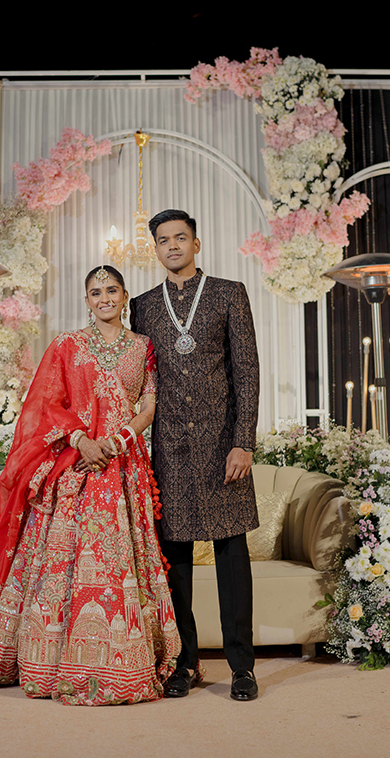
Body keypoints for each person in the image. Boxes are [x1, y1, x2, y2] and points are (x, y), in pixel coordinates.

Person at [0, 264, 180, 706]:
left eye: (112, 290)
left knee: (120, 560)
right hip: (75, 465)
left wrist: (119, 440)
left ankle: (122, 662)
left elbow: (149, 405)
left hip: (124, 466)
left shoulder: (143, 346)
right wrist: (83, 441)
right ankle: (51, 663)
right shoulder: (68, 345)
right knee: (62, 563)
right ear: (86, 301)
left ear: (125, 296)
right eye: (96, 292)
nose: (104, 298)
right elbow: (47, 403)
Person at [130, 208, 260, 702]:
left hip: (224, 447)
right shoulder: (143, 305)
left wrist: (243, 441)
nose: (172, 246)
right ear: (156, 249)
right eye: (163, 240)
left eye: (180, 238)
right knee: (175, 562)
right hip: (169, 450)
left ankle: (242, 668)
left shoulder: (229, 293)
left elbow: (247, 372)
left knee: (232, 559)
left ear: (196, 244)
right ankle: (183, 663)